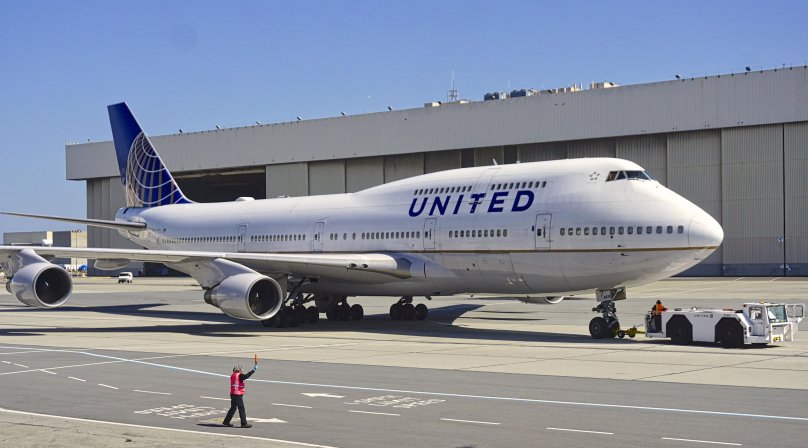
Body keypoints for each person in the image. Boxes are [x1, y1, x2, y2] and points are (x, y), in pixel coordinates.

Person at [223, 361, 258, 428]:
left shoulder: (232, 376)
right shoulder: (239, 375)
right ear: (239, 370)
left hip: (233, 394)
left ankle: (226, 422)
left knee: (233, 408)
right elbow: (246, 376)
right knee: (241, 408)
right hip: (237, 394)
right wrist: (254, 370)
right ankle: (244, 423)